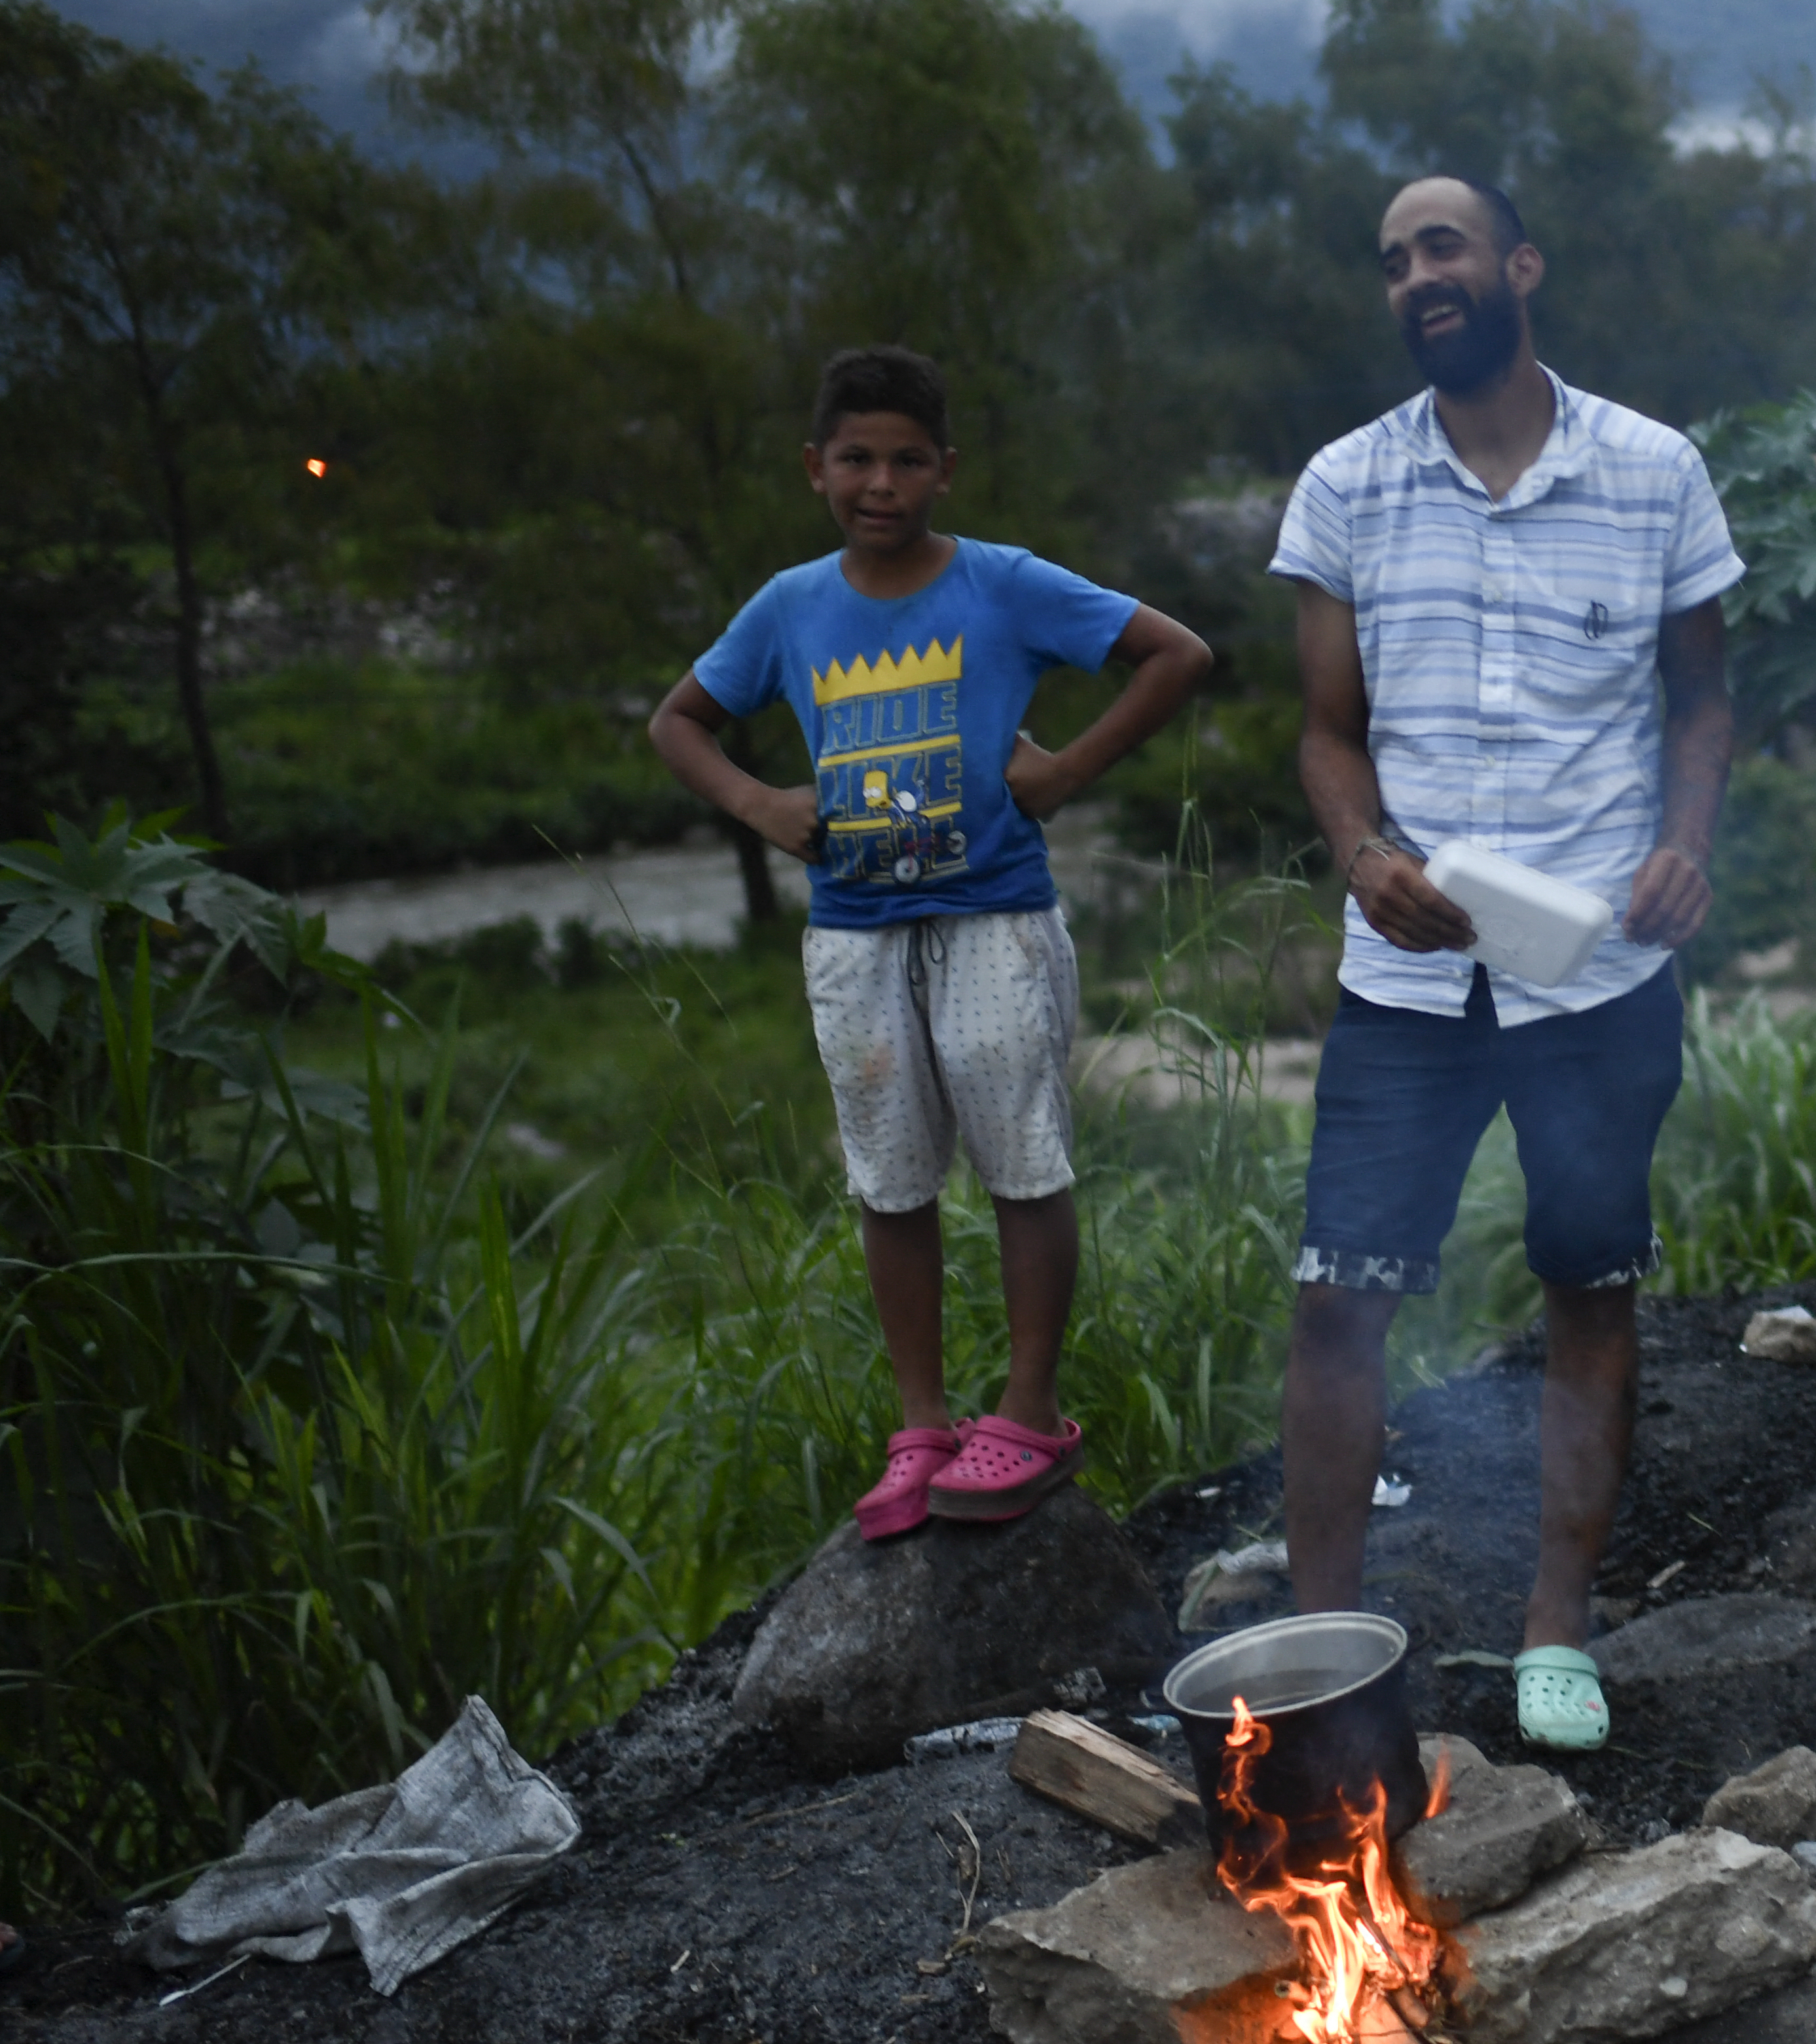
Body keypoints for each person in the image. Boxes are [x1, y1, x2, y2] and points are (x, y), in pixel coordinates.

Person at [1270, 176, 1740, 1753]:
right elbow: (1329, 734)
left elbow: (1699, 701)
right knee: (1341, 1294)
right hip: (1404, 970)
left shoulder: (1653, 466)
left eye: (1444, 247)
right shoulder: (1347, 483)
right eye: (1394, 259)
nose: (1417, 276)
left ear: (1519, 265)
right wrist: (1361, 854)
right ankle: (1327, 1639)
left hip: (1594, 969)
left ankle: (1557, 1630)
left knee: (1585, 1285)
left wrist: (1685, 840)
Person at [651, 346, 1214, 1539]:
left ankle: (1028, 1409)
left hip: (994, 918)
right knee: (889, 1175)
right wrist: (760, 805)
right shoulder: (791, 605)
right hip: (854, 935)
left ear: (945, 472)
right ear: (815, 469)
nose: (881, 482)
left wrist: (1060, 772)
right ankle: (922, 1426)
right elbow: (680, 722)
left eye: (909, 459)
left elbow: (1176, 652)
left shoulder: (1001, 584)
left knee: (1021, 1156)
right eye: (856, 457)